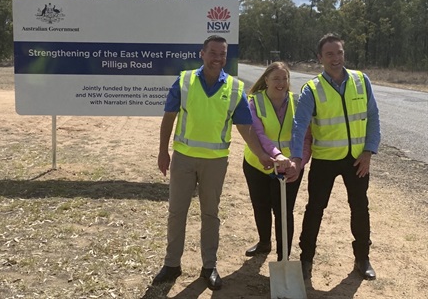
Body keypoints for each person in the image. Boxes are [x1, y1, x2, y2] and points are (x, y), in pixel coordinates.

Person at [153, 35, 278, 291]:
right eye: (213, 52)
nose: (218, 58)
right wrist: (163, 151)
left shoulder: (234, 88)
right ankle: (171, 265)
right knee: (177, 212)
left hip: (215, 162)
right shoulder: (185, 81)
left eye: (222, 54)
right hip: (183, 159)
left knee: (210, 215)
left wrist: (263, 154)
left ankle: (209, 266)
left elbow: (246, 128)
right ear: (202, 53)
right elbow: (168, 117)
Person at [290, 33, 381, 281]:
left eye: (339, 52)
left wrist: (369, 151)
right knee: (315, 209)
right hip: (325, 160)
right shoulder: (311, 89)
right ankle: (306, 259)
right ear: (320, 58)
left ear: (344, 53)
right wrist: (296, 159)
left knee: (360, 207)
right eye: (329, 54)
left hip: (357, 159)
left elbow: (373, 116)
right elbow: (299, 126)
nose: (335, 58)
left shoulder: (361, 81)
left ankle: (362, 258)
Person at [243, 62, 311, 260]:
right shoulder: (255, 101)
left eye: (284, 78)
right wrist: (277, 155)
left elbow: (306, 137)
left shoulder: (298, 103)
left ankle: (284, 257)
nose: (281, 83)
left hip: (290, 168)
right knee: (261, 206)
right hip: (258, 164)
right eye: (276, 79)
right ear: (266, 80)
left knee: (284, 211)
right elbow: (259, 134)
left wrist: (299, 163)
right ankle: (264, 243)